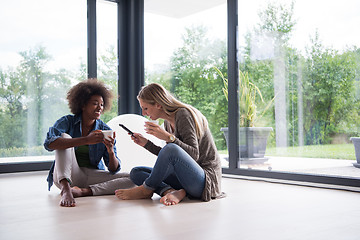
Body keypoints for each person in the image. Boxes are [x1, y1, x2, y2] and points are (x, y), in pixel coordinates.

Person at [115, 83, 224, 206]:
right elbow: (171, 158)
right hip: (185, 178)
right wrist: (146, 144)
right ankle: (171, 191)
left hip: (205, 181)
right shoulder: (167, 122)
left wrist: (168, 137)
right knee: (137, 172)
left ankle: (146, 189)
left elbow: (193, 154)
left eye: (145, 108)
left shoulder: (183, 114)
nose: (144, 113)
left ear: (158, 104)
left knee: (170, 148)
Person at [44, 78, 135, 207]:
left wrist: (110, 152)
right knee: (64, 137)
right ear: (83, 105)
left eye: (102, 104)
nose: (99, 107)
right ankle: (66, 189)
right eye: (95, 103)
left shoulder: (104, 130)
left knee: (133, 178)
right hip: (66, 175)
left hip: (90, 176)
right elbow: (50, 143)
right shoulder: (67, 121)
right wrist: (86, 140)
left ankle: (84, 191)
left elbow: (113, 169)